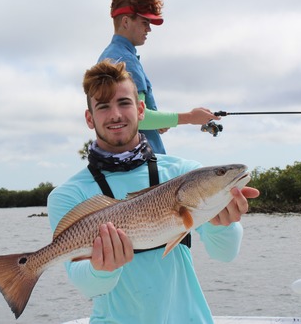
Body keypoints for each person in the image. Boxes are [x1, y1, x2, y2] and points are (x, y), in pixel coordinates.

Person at [47, 60, 259, 323]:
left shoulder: (183, 171)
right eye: (103, 106)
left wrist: (222, 224)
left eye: (124, 103)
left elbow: (225, 255)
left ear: (141, 109)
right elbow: (87, 286)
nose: (115, 114)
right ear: (90, 118)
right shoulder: (67, 195)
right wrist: (102, 269)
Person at [98, 0, 220, 154]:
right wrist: (191, 118)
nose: (149, 29)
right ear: (125, 21)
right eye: (144, 22)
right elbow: (138, 118)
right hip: (144, 165)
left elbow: (133, 116)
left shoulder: (110, 55)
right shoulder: (125, 60)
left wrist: (161, 122)